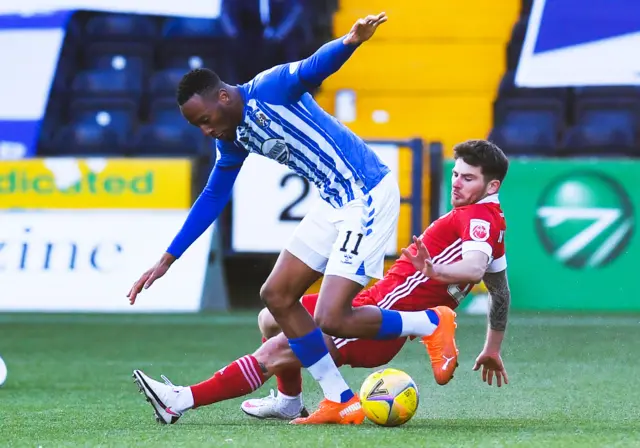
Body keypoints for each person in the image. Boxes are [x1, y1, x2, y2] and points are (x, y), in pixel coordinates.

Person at [128, 11, 461, 425]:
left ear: (224, 98)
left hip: (366, 192)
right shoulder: (233, 138)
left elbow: (313, 67)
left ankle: (430, 321)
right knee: (276, 296)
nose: (206, 131)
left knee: (332, 317)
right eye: (198, 125)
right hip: (332, 201)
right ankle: (337, 398)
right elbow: (213, 195)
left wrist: (350, 41)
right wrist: (168, 258)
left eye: (205, 120)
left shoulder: (269, 87)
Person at [132, 139, 512, 425]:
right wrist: (492, 346)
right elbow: (501, 292)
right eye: (455, 174)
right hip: (372, 306)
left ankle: (180, 400)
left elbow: (475, 268)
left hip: (373, 323)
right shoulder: (494, 225)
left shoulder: (475, 219)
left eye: (468, 178)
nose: (456, 184)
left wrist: (435, 273)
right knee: (271, 317)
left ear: (492, 186)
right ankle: (289, 401)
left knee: (274, 353)